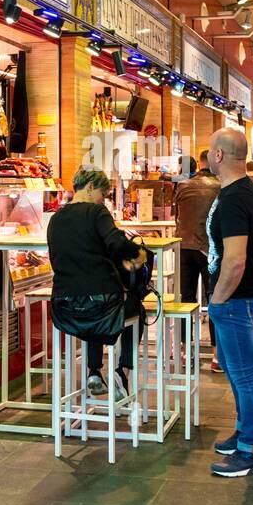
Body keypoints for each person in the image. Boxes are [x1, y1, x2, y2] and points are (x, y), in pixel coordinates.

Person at [205, 128, 253, 478]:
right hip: (247, 297)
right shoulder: (247, 191)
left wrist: (217, 301)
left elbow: (235, 260)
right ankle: (246, 432)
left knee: (244, 375)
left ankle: (251, 450)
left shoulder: (234, 198)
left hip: (236, 299)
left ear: (218, 155)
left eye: (209, 151)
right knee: (238, 372)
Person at [48, 167, 147, 395]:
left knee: (93, 310)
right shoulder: (96, 212)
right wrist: (138, 254)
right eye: (103, 193)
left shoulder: (55, 219)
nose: (103, 199)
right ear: (91, 187)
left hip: (64, 308)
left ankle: (94, 371)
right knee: (136, 310)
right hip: (101, 305)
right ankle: (122, 371)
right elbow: (117, 243)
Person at [174, 148, 220, 357]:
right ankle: (217, 354)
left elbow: (178, 217)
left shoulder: (183, 186)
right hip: (208, 250)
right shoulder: (220, 187)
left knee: (186, 300)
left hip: (184, 247)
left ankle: (185, 351)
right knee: (214, 301)